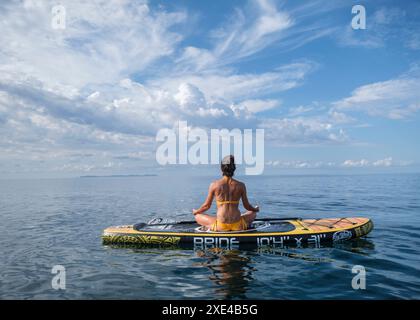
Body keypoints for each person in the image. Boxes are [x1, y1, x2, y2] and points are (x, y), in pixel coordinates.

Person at [192, 155, 259, 231]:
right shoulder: (241, 185)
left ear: (221, 169)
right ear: (234, 168)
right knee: (253, 213)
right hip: (238, 225)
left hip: (220, 226)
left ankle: (209, 226)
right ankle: (244, 221)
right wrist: (255, 209)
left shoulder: (214, 185)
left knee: (197, 216)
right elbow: (247, 206)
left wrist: (196, 211)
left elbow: (206, 206)